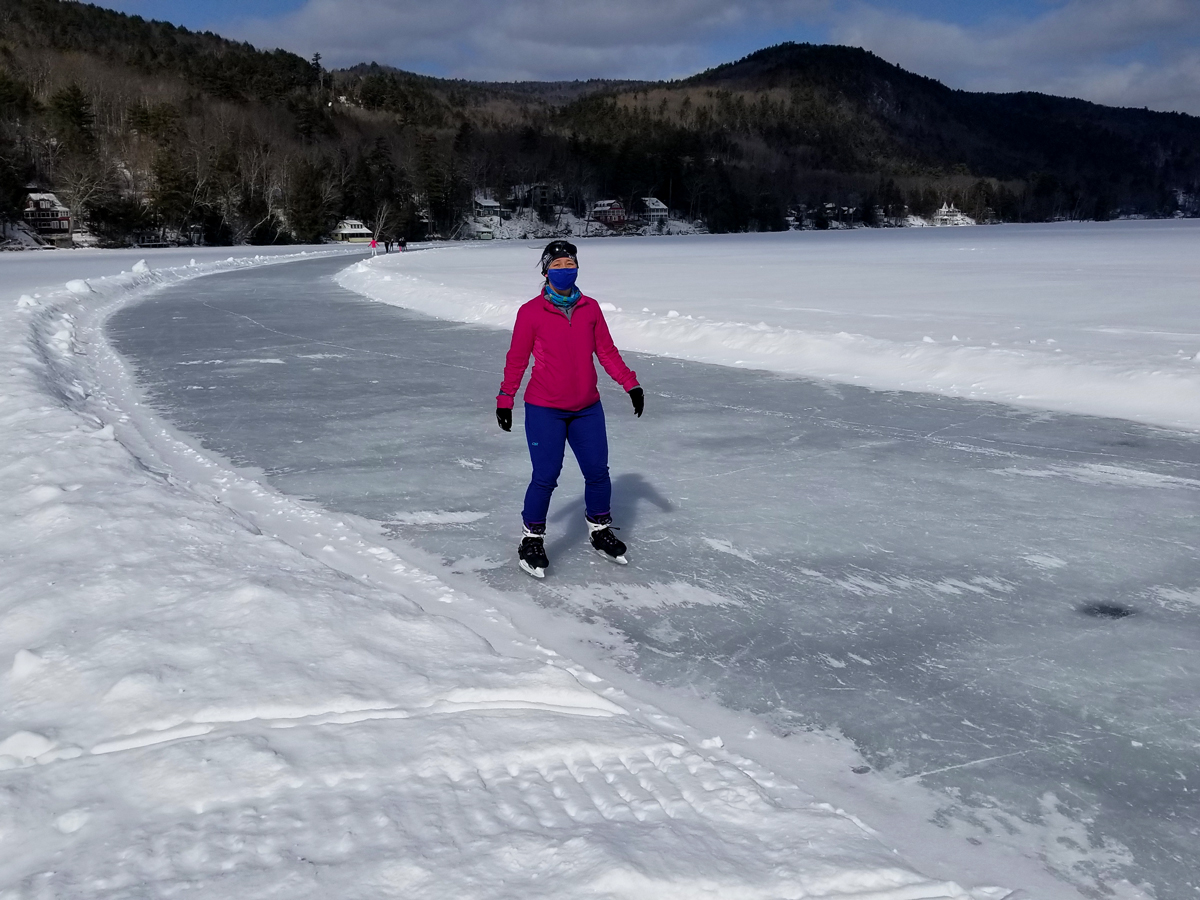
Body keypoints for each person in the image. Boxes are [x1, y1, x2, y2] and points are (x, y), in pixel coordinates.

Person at [496, 239, 645, 579]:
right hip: (544, 407)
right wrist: (506, 398)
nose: (566, 270)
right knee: (546, 476)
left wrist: (630, 383)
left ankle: (599, 528)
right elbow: (517, 360)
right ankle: (531, 539)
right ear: (546, 270)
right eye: (559, 265)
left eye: (571, 264)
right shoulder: (531, 312)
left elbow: (606, 352)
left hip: (587, 408)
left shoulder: (590, 308)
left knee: (597, 472)